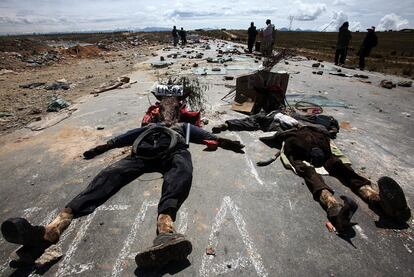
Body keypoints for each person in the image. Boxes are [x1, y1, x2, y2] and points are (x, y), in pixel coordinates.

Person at [1, 98, 245, 269]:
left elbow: (206, 136)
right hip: (141, 154)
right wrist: (102, 147)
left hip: (174, 151)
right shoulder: (150, 126)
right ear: (159, 112)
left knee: (181, 173)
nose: (167, 113)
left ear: (178, 112)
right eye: (164, 110)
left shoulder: (185, 126)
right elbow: (123, 138)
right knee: (108, 176)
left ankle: (166, 232)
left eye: (171, 110)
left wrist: (222, 140)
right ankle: (51, 230)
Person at [259, 126, 411, 232]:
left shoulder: (293, 139)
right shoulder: (320, 137)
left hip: (305, 149)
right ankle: (373, 196)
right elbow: (329, 139)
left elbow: (279, 142)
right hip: (323, 150)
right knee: (339, 166)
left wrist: (275, 138)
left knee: (309, 172)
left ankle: (333, 206)